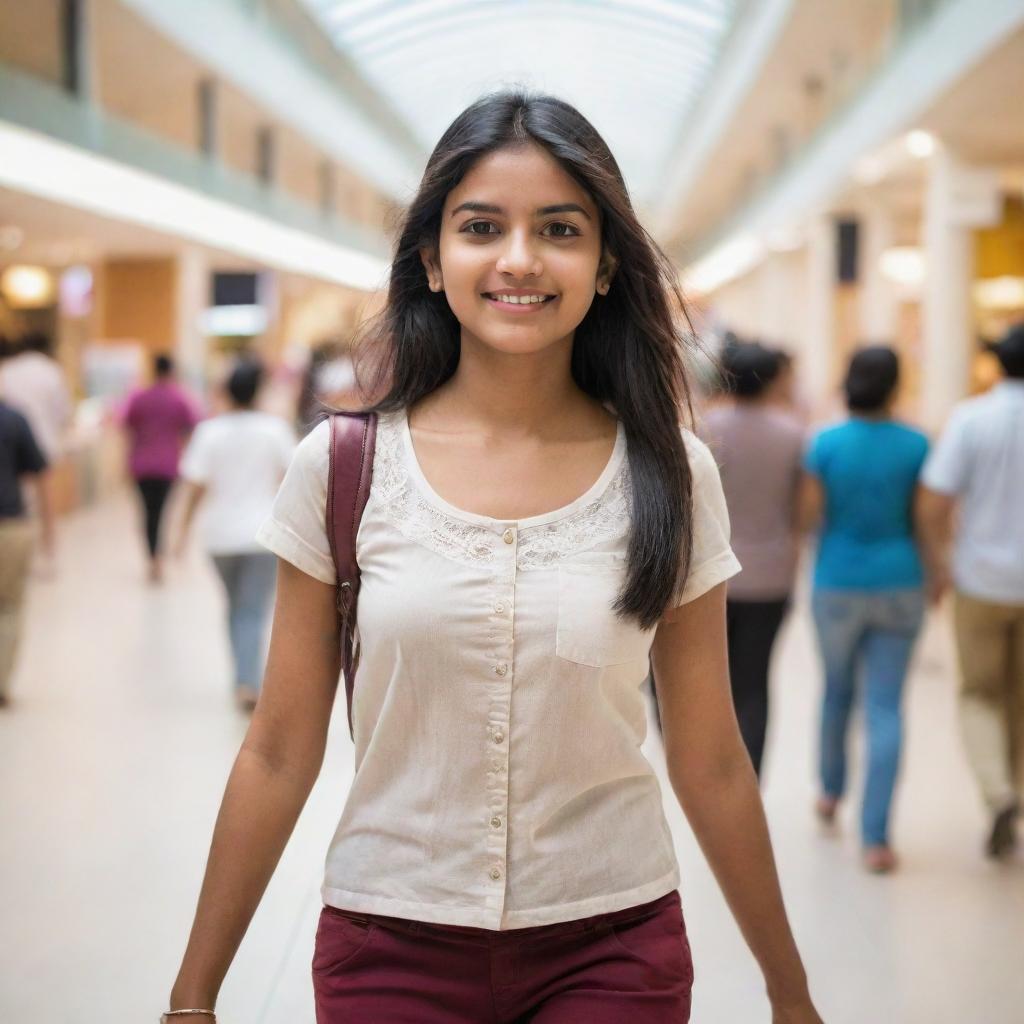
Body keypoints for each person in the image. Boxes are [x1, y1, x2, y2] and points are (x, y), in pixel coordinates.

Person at [165, 93, 823, 1024]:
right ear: (433, 260)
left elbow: (711, 757)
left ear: (604, 268)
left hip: (614, 942)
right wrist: (194, 994)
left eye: (560, 229)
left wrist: (790, 994)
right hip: (386, 939)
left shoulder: (672, 474)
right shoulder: (346, 467)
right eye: (482, 227)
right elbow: (277, 752)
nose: (519, 259)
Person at [799, 346, 930, 874]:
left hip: (837, 582)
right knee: (886, 707)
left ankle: (831, 792)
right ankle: (876, 837)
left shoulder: (825, 444)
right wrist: (938, 574)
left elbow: (809, 517)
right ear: (896, 386)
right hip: (901, 581)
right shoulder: (918, 444)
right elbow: (925, 521)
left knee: (836, 691)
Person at [917, 322, 1024, 859]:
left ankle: (997, 791)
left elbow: (935, 500)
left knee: (980, 692)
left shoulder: (972, 419)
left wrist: (939, 563)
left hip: (982, 579)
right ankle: (1018, 789)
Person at [701, 342, 804, 778]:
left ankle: (704, 768)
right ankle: (749, 776)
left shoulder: (704, 428)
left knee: (703, 680)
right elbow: (803, 512)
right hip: (770, 575)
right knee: (754, 681)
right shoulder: (793, 434)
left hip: (709, 574)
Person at [175, 358, 295, 711]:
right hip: (262, 535)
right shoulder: (273, 430)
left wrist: (181, 535)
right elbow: (293, 480)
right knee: (251, 609)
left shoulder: (209, 432)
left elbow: (195, 488)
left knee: (236, 606)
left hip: (220, 538)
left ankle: (243, 678)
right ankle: (247, 681)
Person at [120, 354, 202, 582]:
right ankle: (158, 558)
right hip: (168, 465)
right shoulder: (179, 398)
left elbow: (126, 426)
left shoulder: (139, 397)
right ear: (172, 371)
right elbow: (193, 425)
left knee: (148, 512)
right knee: (162, 512)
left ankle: (153, 558)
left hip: (141, 464)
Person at [0, 396, 54, 707]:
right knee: (8, 608)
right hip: (10, 524)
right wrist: (49, 531)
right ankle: (2, 683)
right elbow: (41, 472)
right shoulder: (13, 418)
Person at [0, 330, 72, 462]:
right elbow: (63, 413)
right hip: (47, 445)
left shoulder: (8, 370)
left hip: (14, 449)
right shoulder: (52, 370)